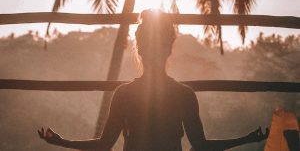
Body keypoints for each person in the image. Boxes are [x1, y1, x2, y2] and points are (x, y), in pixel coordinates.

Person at [38, 10, 269, 151]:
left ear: (139, 50)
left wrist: (62, 142)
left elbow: (103, 145)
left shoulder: (124, 93)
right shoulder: (184, 94)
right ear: (169, 49)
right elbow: (202, 146)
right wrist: (247, 139)